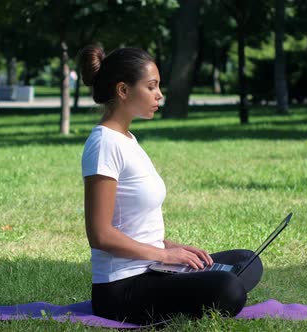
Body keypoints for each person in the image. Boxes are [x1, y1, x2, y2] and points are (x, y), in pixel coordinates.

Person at [79, 45, 263, 325]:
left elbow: (133, 225)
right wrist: (165, 255)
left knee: (246, 261)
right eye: (151, 87)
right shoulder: (104, 144)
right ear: (123, 90)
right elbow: (101, 235)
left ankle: (192, 284)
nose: (159, 95)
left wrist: (176, 250)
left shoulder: (127, 139)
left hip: (154, 269)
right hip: (120, 289)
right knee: (229, 288)